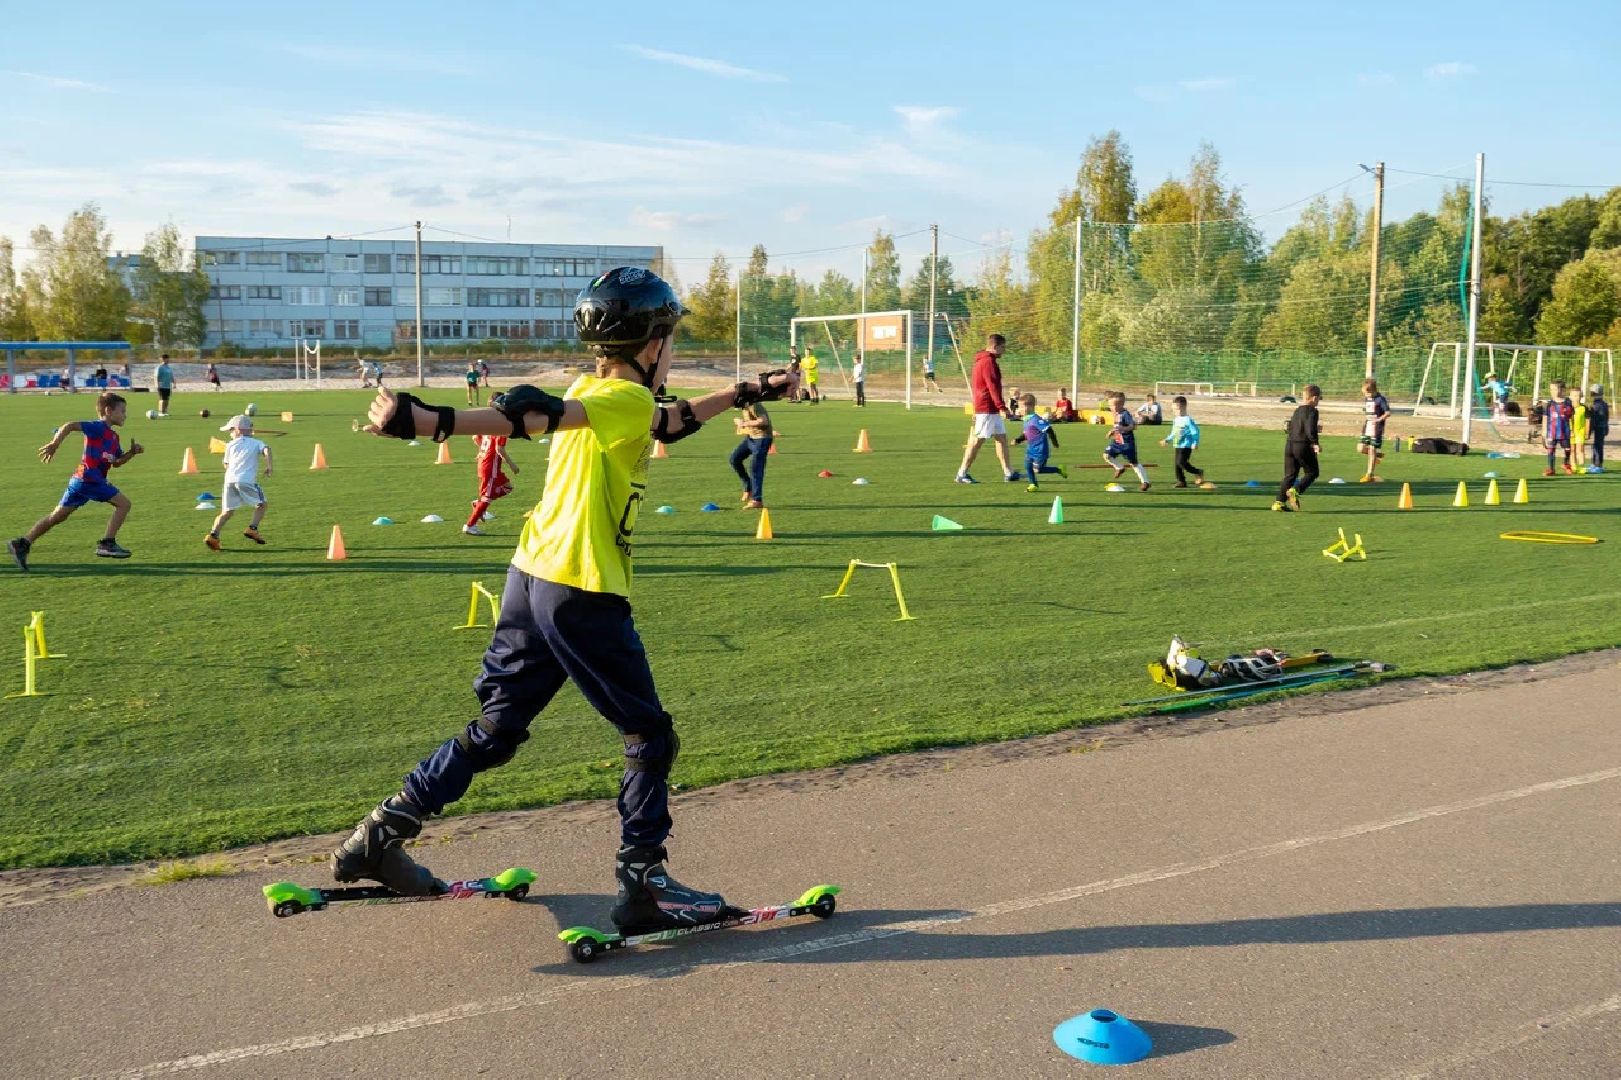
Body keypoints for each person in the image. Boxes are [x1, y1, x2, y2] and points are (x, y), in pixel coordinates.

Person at [332, 267, 794, 935]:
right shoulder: (617, 401)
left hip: (530, 576)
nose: (671, 348)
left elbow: (666, 424)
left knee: (495, 731)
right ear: (650, 343)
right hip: (581, 588)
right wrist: (429, 421)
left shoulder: (607, 392)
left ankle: (379, 834)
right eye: (668, 336)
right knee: (648, 735)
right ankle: (645, 885)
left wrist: (747, 390)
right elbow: (535, 415)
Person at [8, 391, 144, 569]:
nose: (125, 415)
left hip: (81, 482)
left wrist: (131, 453)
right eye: (122, 411)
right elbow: (70, 426)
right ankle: (107, 543)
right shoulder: (97, 427)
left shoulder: (114, 437)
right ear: (108, 411)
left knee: (56, 517)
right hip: (89, 480)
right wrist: (54, 444)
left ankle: (22, 544)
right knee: (124, 504)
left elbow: (117, 462)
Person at [956, 333, 1018, 484]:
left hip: (989, 408)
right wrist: (1002, 408)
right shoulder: (988, 362)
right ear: (995, 347)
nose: (1004, 351)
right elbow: (992, 387)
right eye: (1003, 347)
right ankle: (962, 473)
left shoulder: (984, 361)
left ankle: (1008, 472)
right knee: (977, 441)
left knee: (1001, 438)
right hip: (987, 408)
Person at [204, 414, 272, 550]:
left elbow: (226, 465)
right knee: (262, 505)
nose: (230, 433)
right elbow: (267, 449)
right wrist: (269, 466)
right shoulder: (256, 442)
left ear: (239, 430)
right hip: (246, 480)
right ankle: (252, 528)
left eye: (231, 430)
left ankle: (213, 535)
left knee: (227, 512)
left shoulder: (230, 445)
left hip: (229, 480)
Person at [1274, 384, 1323, 512]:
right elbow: (1309, 428)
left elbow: (1291, 427)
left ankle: (1278, 503)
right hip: (1302, 445)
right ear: (1314, 398)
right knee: (1312, 472)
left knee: (1289, 475)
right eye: (1319, 399)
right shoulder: (1313, 411)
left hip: (1289, 445)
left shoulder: (1297, 410)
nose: (1318, 402)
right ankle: (1296, 490)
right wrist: (1315, 443)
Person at [464, 433, 517, 535]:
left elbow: (475, 437)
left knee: (508, 487)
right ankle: (470, 525)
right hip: (490, 469)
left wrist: (482, 451)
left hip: (487, 465)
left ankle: (478, 505)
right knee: (486, 498)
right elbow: (500, 449)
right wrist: (512, 465)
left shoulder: (489, 425)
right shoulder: (502, 428)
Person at [1161, 395, 1214, 489]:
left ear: (1184, 407)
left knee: (1181, 462)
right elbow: (1174, 433)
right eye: (1173, 409)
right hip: (1177, 444)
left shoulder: (1188, 420)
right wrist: (1167, 440)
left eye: (1177, 409)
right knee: (1177, 464)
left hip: (1186, 445)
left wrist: (1195, 443)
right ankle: (1181, 481)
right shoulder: (1176, 419)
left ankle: (1198, 472)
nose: (1175, 411)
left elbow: (1195, 432)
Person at [1014, 393, 1066, 491]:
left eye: (1021, 406)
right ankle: (1033, 485)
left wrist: (1055, 443)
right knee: (1027, 465)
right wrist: (1018, 440)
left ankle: (1058, 469)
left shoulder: (1036, 420)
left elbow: (1049, 429)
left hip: (1040, 450)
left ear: (1030, 407)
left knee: (1038, 470)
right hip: (1030, 449)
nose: (1019, 409)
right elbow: (1027, 434)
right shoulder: (1026, 420)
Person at [1103, 392, 1151, 492]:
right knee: (1106, 455)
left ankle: (1145, 482)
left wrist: (1122, 428)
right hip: (1117, 442)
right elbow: (1117, 427)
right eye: (1111, 405)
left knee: (1134, 463)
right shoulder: (1116, 414)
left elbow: (1133, 426)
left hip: (1127, 444)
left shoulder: (1125, 414)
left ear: (1121, 405)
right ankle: (1120, 468)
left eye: (1115, 405)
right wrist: (1112, 431)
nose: (1113, 407)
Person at [731, 399, 773, 508]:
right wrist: (739, 422)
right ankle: (748, 486)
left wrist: (744, 423)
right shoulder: (745, 407)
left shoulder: (754, 405)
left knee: (755, 469)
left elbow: (763, 421)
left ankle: (757, 500)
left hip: (762, 439)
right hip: (751, 438)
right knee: (734, 459)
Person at [1358, 378, 1391, 483]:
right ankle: (1377, 456)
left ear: (1373, 390)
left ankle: (1369, 475)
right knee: (1360, 448)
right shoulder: (1368, 398)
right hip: (1367, 426)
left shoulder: (1380, 399)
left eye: (1367, 393)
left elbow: (1387, 413)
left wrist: (1379, 419)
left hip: (1376, 428)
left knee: (1372, 449)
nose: (1365, 396)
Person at [1542, 380, 1575, 476]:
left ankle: (1566, 463)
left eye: (1555, 389)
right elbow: (1545, 417)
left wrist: (1572, 429)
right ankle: (1551, 469)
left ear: (1562, 390)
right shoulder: (1548, 404)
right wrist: (1544, 431)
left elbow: (1572, 417)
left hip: (1564, 431)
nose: (1553, 391)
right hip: (1551, 432)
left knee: (1568, 449)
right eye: (1551, 389)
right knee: (1551, 450)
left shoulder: (1568, 403)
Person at [1589, 385, 1610, 470]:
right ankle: (1596, 463)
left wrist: (1590, 429)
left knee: (1597, 446)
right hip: (1603, 427)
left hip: (1598, 427)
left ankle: (1597, 464)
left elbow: (1593, 418)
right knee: (1598, 445)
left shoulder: (1596, 405)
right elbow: (1607, 417)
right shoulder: (1604, 404)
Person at [1572, 390, 1590, 468]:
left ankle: (1581, 467)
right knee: (1572, 450)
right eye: (1574, 395)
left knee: (1580, 450)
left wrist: (1587, 432)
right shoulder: (1568, 407)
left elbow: (1587, 421)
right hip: (1570, 432)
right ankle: (1573, 466)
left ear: (1581, 397)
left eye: (1578, 396)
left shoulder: (1584, 408)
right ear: (1570, 396)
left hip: (1580, 432)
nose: (1577, 398)